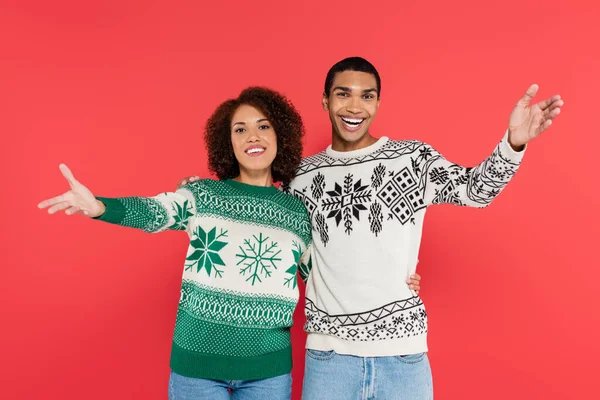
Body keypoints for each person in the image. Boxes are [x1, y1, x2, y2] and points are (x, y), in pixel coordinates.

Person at [179, 57, 564, 400]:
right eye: (343, 94)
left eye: (367, 96)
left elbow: (475, 191)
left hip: (404, 356)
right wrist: (207, 194)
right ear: (326, 101)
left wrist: (513, 143)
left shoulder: (414, 159)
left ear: (378, 103)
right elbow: (275, 235)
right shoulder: (300, 178)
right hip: (328, 359)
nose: (354, 106)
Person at [39, 87, 317, 400]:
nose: (253, 136)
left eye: (263, 126)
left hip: (268, 374)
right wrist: (101, 207)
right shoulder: (203, 196)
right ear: (229, 143)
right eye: (241, 129)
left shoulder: (297, 213)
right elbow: (157, 211)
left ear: (281, 135)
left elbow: (321, 282)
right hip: (196, 370)